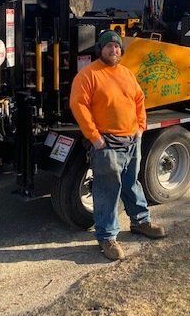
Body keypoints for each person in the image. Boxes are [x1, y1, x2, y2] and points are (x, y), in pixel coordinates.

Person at [70, 30, 166, 260]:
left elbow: (139, 99)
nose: (113, 50)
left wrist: (140, 128)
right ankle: (107, 237)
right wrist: (95, 138)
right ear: (100, 50)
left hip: (132, 139)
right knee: (107, 191)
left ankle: (140, 222)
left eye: (117, 47)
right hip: (107, 144)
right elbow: (78, 106)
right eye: (108, 46)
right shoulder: (88, 75)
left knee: (132, 183)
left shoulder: (126, 73)